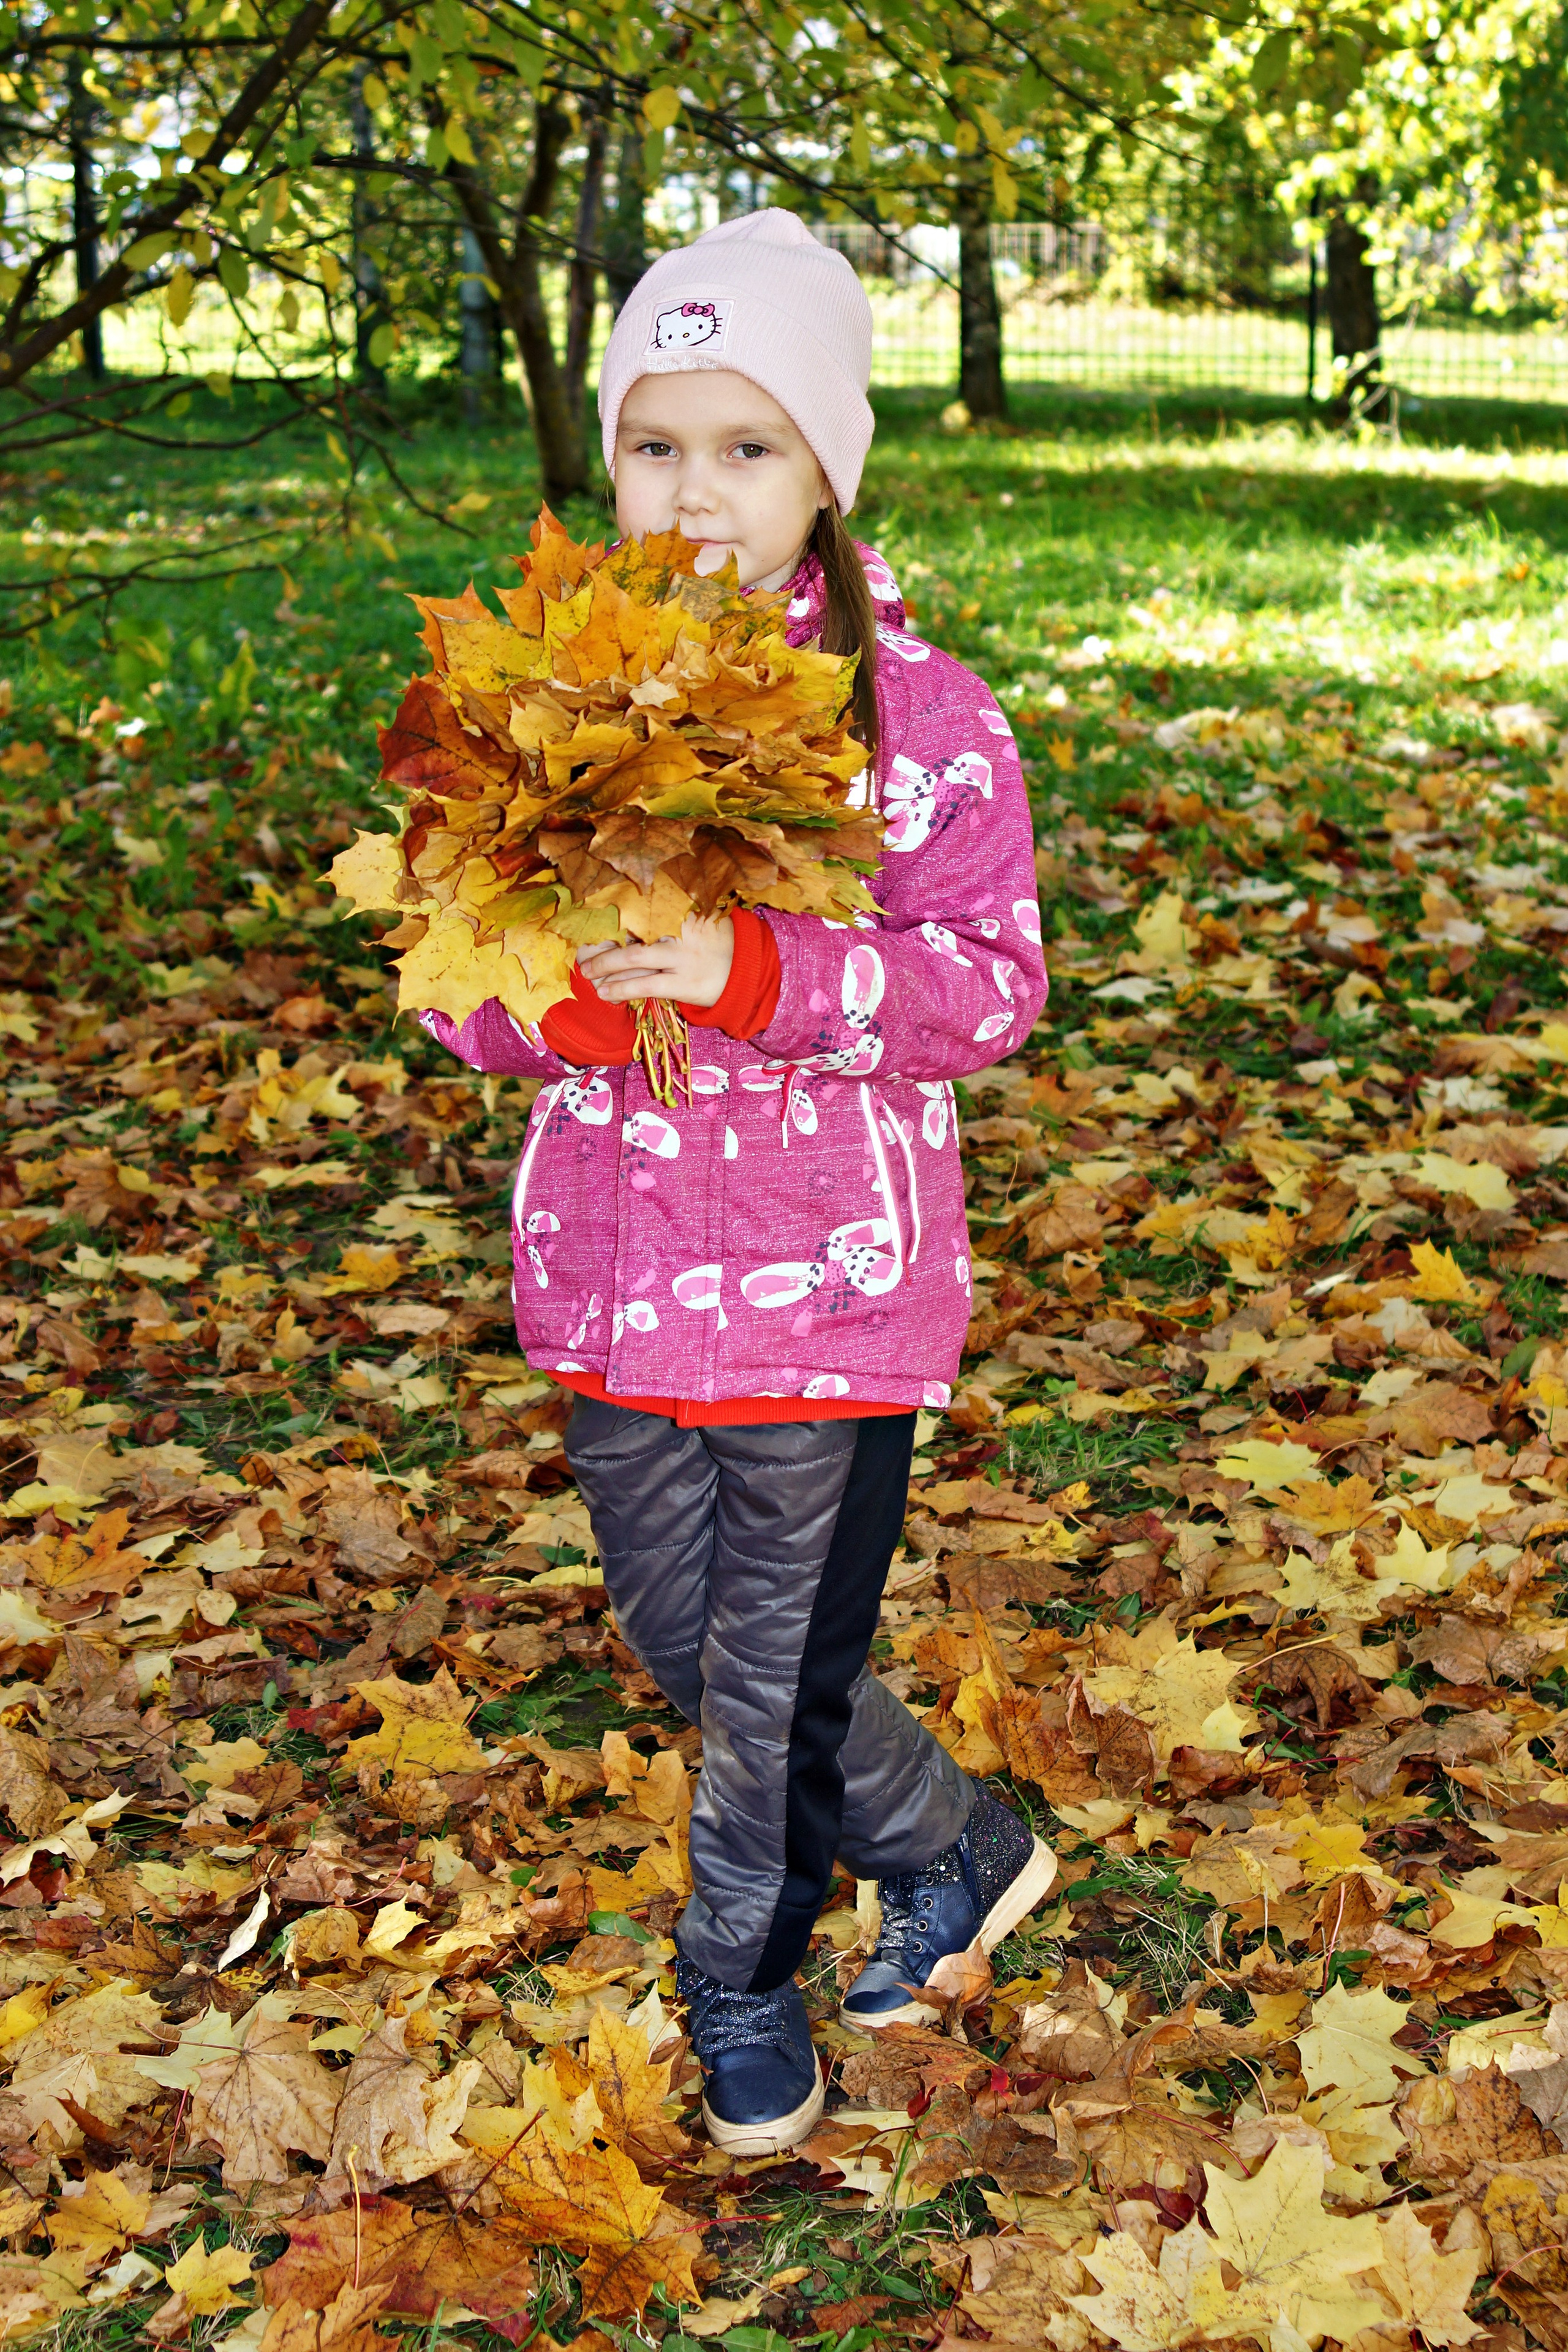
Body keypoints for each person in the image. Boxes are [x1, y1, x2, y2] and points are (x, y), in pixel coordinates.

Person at [418, 208, 1055, 2156]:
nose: (695, 493)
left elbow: (990, 988)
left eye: (749, 444)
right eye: (655, 443)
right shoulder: (543, 708)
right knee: (689, 1641)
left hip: (827, 1282)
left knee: (769, 1674)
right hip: (610, 1274)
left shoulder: (916, 722)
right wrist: (567, 1005)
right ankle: (954, 1840)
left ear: (828, 470)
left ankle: (739, 1973)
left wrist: (754, 975)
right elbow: (456, 988)